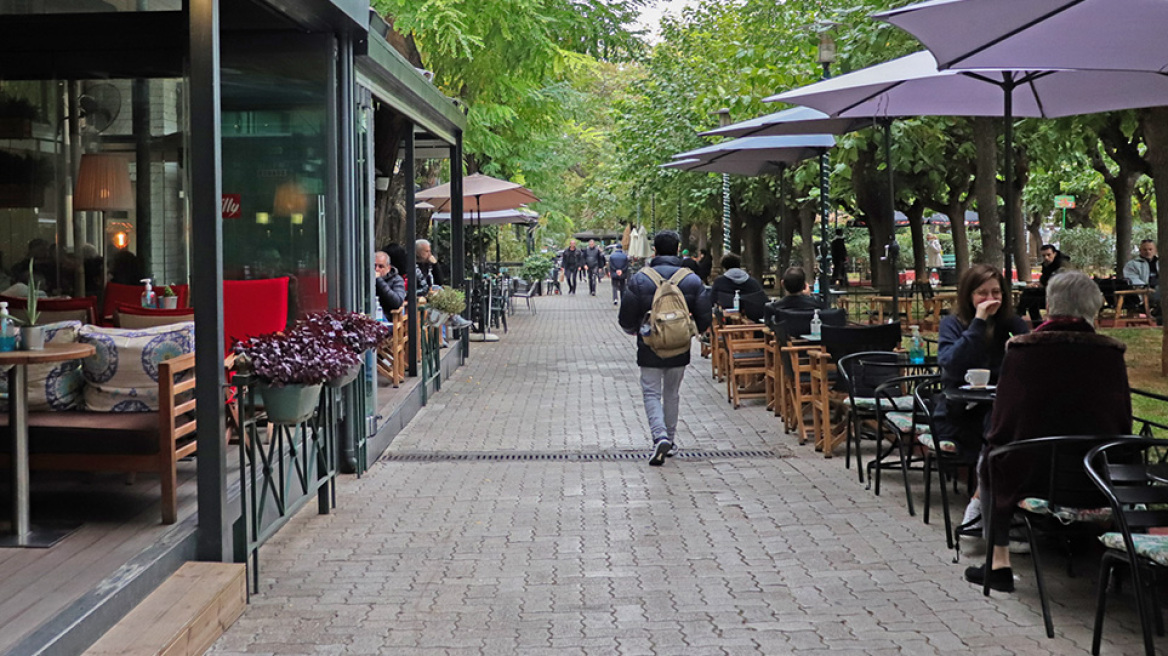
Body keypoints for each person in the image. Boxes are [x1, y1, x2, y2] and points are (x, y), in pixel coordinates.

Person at [964, 271, 1130, 592]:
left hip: (1031, 476)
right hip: (1097, 478)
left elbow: (1003, 422)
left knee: (992, 455)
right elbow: (1122, 422)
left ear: (1050, 306)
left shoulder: (1023, 351)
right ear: (1092, 310)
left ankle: (999, 563)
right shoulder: (1110, 354)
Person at [618, 230, 712, 466]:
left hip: (650, 344)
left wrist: (633, 330)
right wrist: (695, 330)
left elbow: (626, 316)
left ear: (655, 251)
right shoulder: (690, 279)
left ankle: (659, 435)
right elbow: (704, 314)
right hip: (679, 344)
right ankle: (670, 439)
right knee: (672, 393)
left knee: (651, 392)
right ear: (678, 249)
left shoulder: (640, 278)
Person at [1015, 244, 1069, 322]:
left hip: (1058, 294)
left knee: (1031, 301)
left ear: (1055, 254)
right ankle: (1025, 316)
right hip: (1047, 290)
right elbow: (1045, 278)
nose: (1046, 258)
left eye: (1048, 255)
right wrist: (1038, 284)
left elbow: (1057, 283)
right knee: (1027, 293)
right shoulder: (1046, 264)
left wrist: (1042, 284)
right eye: (1043, 256)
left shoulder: (1062, 265)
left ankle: (1021, 315)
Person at [710, 253, 767, 322]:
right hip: (753, 319)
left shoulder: (719, 281)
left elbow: (711, 300)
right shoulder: (753, 282)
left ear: (724, 267)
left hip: (728, 321)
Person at [1123, 239, 1159, 317]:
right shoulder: (1132, 264)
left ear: (1155, 250)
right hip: (1143, 292)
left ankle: (1157, 315)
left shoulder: (1162, 263)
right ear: (1140, 250)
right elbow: (1132, 279)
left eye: (1150, 249)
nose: (1148, 252)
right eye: (1145, 249)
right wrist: (1146, 288)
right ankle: (1157, 316)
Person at [374, 251, 406, 319]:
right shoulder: (366, 280)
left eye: (381, 266)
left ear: (388, 268)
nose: (376, 269)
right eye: (374, 266)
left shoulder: (397, 280)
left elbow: (397, 302)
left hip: (387, 317)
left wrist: (379, 281)